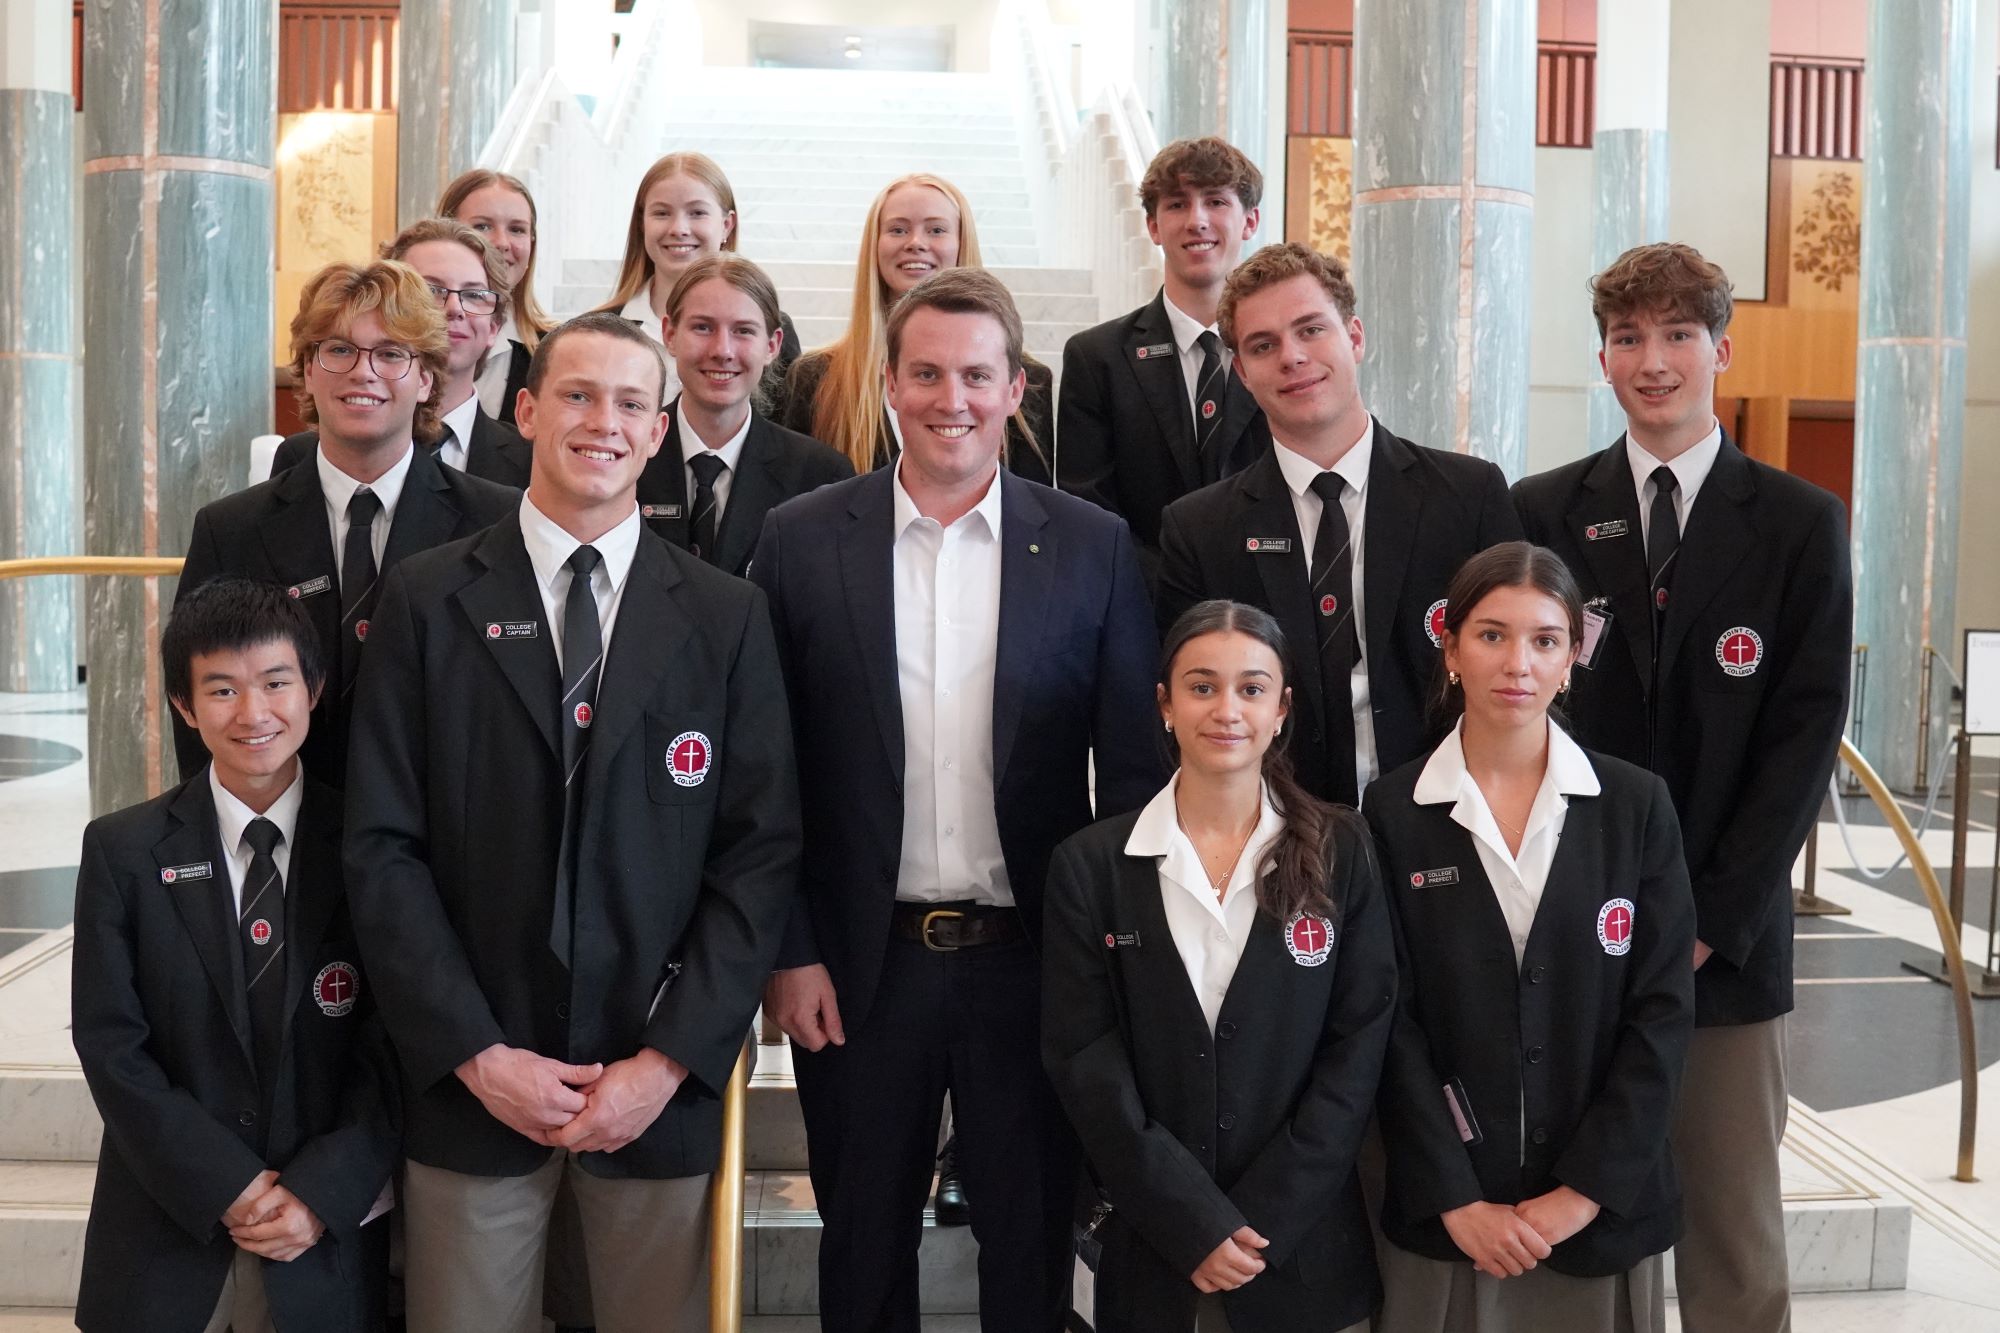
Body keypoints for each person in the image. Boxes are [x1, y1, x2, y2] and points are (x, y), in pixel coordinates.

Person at [343, 312, 803, 1332]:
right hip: (474, 1085)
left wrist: (667, 1061)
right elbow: (382, 848)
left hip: (653, 1090)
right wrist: (476, 1053)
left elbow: (758, 854)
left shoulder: (726, 615)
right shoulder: (426, 597)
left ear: (657, 431)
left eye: (631, 403)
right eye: (578, 395)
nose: (604, 421)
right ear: (525, 411)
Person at [749, 267, 1161, 1331]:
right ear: (888, 383)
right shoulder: (800, 538)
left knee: (1029, 1248)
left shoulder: (1092, 546)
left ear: (1016, 388)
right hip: (857, 969)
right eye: (926, 373)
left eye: (977, 376)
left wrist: (1114, 962)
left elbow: (1130, 776)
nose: (952, 399)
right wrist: (790, 948)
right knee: (862, 1251)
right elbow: (765, 768)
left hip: (1032, 966)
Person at [1511, 243, 1852, 1333]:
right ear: (1602, 358)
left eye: (1675, 335)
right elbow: (1522, 717)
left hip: (1725, 943)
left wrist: (1706, 921)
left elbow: (1802, 739)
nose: (1651, 360)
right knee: (1579, 1220)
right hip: (1574, 928)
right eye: (1627, 337)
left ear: (1720, 350)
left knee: (1731, 1230)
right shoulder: (1543, 510)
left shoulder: (1798, 521)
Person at [1362, 541, 1696, 1333]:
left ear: (1573, 657)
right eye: (1492, 635)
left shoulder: (1636, 806)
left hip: (1598, 1215)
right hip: (1450, 1216)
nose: (1519, 663)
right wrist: (1456, 1196)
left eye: (1545, 639)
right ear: (1450, 648)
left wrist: (1583, 1191)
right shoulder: (1391, 813)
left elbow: (1661, 1012)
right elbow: (1387, 1020)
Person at [1041, 599, 1395, 1333]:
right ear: (1165, 705)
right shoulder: (1091, 866)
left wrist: (1263, 1220)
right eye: (1202, 687)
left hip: (1304, 1251)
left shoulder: (1344, 849)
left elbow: (1357, 1047)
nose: (1227, 709)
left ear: (1281, 709)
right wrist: (1191, 1220)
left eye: (1251, 688)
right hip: (1152, 1247)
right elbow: (1085, 1059)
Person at [72, 577, 399, 1333]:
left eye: (276, 683)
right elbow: (112, 1044)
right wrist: (227, 1183)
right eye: (222, 689)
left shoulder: (372, 849)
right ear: (185, 707)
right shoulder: (123, 851)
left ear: (314, 689)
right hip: (166, 1228)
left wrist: (319, 1193)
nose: (253, 713)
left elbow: (395, 1042)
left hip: (323, 1236)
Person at [1157, 243, 1522, 807]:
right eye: (1263, 345)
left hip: (1450, 814)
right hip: (1276, 822)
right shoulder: (1200, 529)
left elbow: (1516, 669)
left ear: (1354, 337)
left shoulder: (1469, 497)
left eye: (1310, 330)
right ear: (1242, 373)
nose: (1292, 357)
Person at [178, 258, 519, 785]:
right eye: (339, 350)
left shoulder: (496, 521)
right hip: (287, 818)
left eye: (391, 353)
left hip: (440, 821)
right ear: (308, 370)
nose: (363, 372)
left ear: (426, 379)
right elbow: (199, 700)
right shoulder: (230, 530)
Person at [1057, 137, 1271, 585]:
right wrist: (1179, 592)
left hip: (1270, 604)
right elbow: (1089, 510)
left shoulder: (1285, 354)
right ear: (1154, 227)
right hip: (1144, 604)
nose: (1197, 220)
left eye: (1216, 201)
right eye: (1177, 205)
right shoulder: (1096, 358)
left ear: (1250, 221)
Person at [780, 172, 1055, 485]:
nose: (915, 243)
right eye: (898, 230)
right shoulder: (815, 378)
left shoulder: (1028, 383)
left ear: (961, 242)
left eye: (936, 230)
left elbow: (1034, 505)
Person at [636, 253, 854, 575]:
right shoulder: (628, 454)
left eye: (743, 331)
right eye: (702, 327)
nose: (722, 351)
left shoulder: (820, 477)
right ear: (670, 335)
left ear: (772, 346)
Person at [271, 219, 532, 487]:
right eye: (430, 290)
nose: (454, 308)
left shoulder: (531, 460)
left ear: (494, 327)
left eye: (474, 295)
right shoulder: (302, 456)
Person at [596, 151, 803, 401]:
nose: (679, 229)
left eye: (697, 213)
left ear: (727, 225)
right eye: (662, 213)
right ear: (642, 224)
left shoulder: (768, 329)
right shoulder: (597, 332)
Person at [438, 168, 555, 427]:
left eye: (517, 229)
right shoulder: (399, 338)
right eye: (483, 226)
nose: (501, 242)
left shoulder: (554, 352)